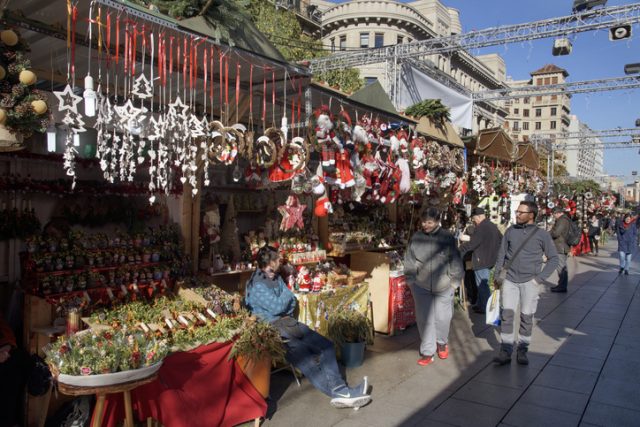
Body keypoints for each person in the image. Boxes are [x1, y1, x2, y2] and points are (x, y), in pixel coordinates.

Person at [244, 246, 371, 409]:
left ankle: (341, 391)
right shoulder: (256, 283)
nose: (280, 262)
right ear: (271, 262)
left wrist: (284, 303)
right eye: (277, 259)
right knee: (307, 360)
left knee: (327, 346)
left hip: (287, 323)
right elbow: (279, 305)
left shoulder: (275, 276)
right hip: (272, 330)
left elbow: (289, 303)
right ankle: (342, 392)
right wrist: (285, 300)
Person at [493, 201, 559, 366]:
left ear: (531, 215)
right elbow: (501, 254)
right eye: (517, 211)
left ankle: (522, 350)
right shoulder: (510, 231)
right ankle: (506, 350)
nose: (517, 214)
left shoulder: (542, 235)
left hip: (530, 282)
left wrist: (539, 279)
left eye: (521, 212)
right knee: (507, 315)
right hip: (510, 280)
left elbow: (554, 259)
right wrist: (497, 275)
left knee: (526, 317)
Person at [404, 207, 464, 366]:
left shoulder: (447, 237)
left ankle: (442, 342)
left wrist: (454, 282)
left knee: (443, 318)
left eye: (429, 222)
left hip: (444, 286)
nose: (426, 225)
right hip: (421, 285)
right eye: (424, 221)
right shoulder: (416, 237)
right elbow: (409, 260)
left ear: (437, 221)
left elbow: (456, 260)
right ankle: (427, 351)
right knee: (424, 320)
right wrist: (410, 280)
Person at [459, 207, 503, 314]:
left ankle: (487, 308)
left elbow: (473, 244)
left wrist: (459, 250)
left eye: (474, 219)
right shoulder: (492, 226)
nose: (474, 221)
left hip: (482, 260)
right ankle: (480, 304)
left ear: (479, 217)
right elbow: (501, 240)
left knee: (482, 285)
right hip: (490, 259)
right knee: (481, 283)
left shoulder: (481, 227)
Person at [549, 206, 571, 293]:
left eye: (554, 214)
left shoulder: (562, 220)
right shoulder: (565, 219)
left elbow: (556, 233)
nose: (553, 216)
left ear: (557, 213)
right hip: (563, 245)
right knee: (562, 266)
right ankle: (561, 285)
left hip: (560, 246)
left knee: (561, 267)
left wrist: (548, 232)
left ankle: (562, 286)